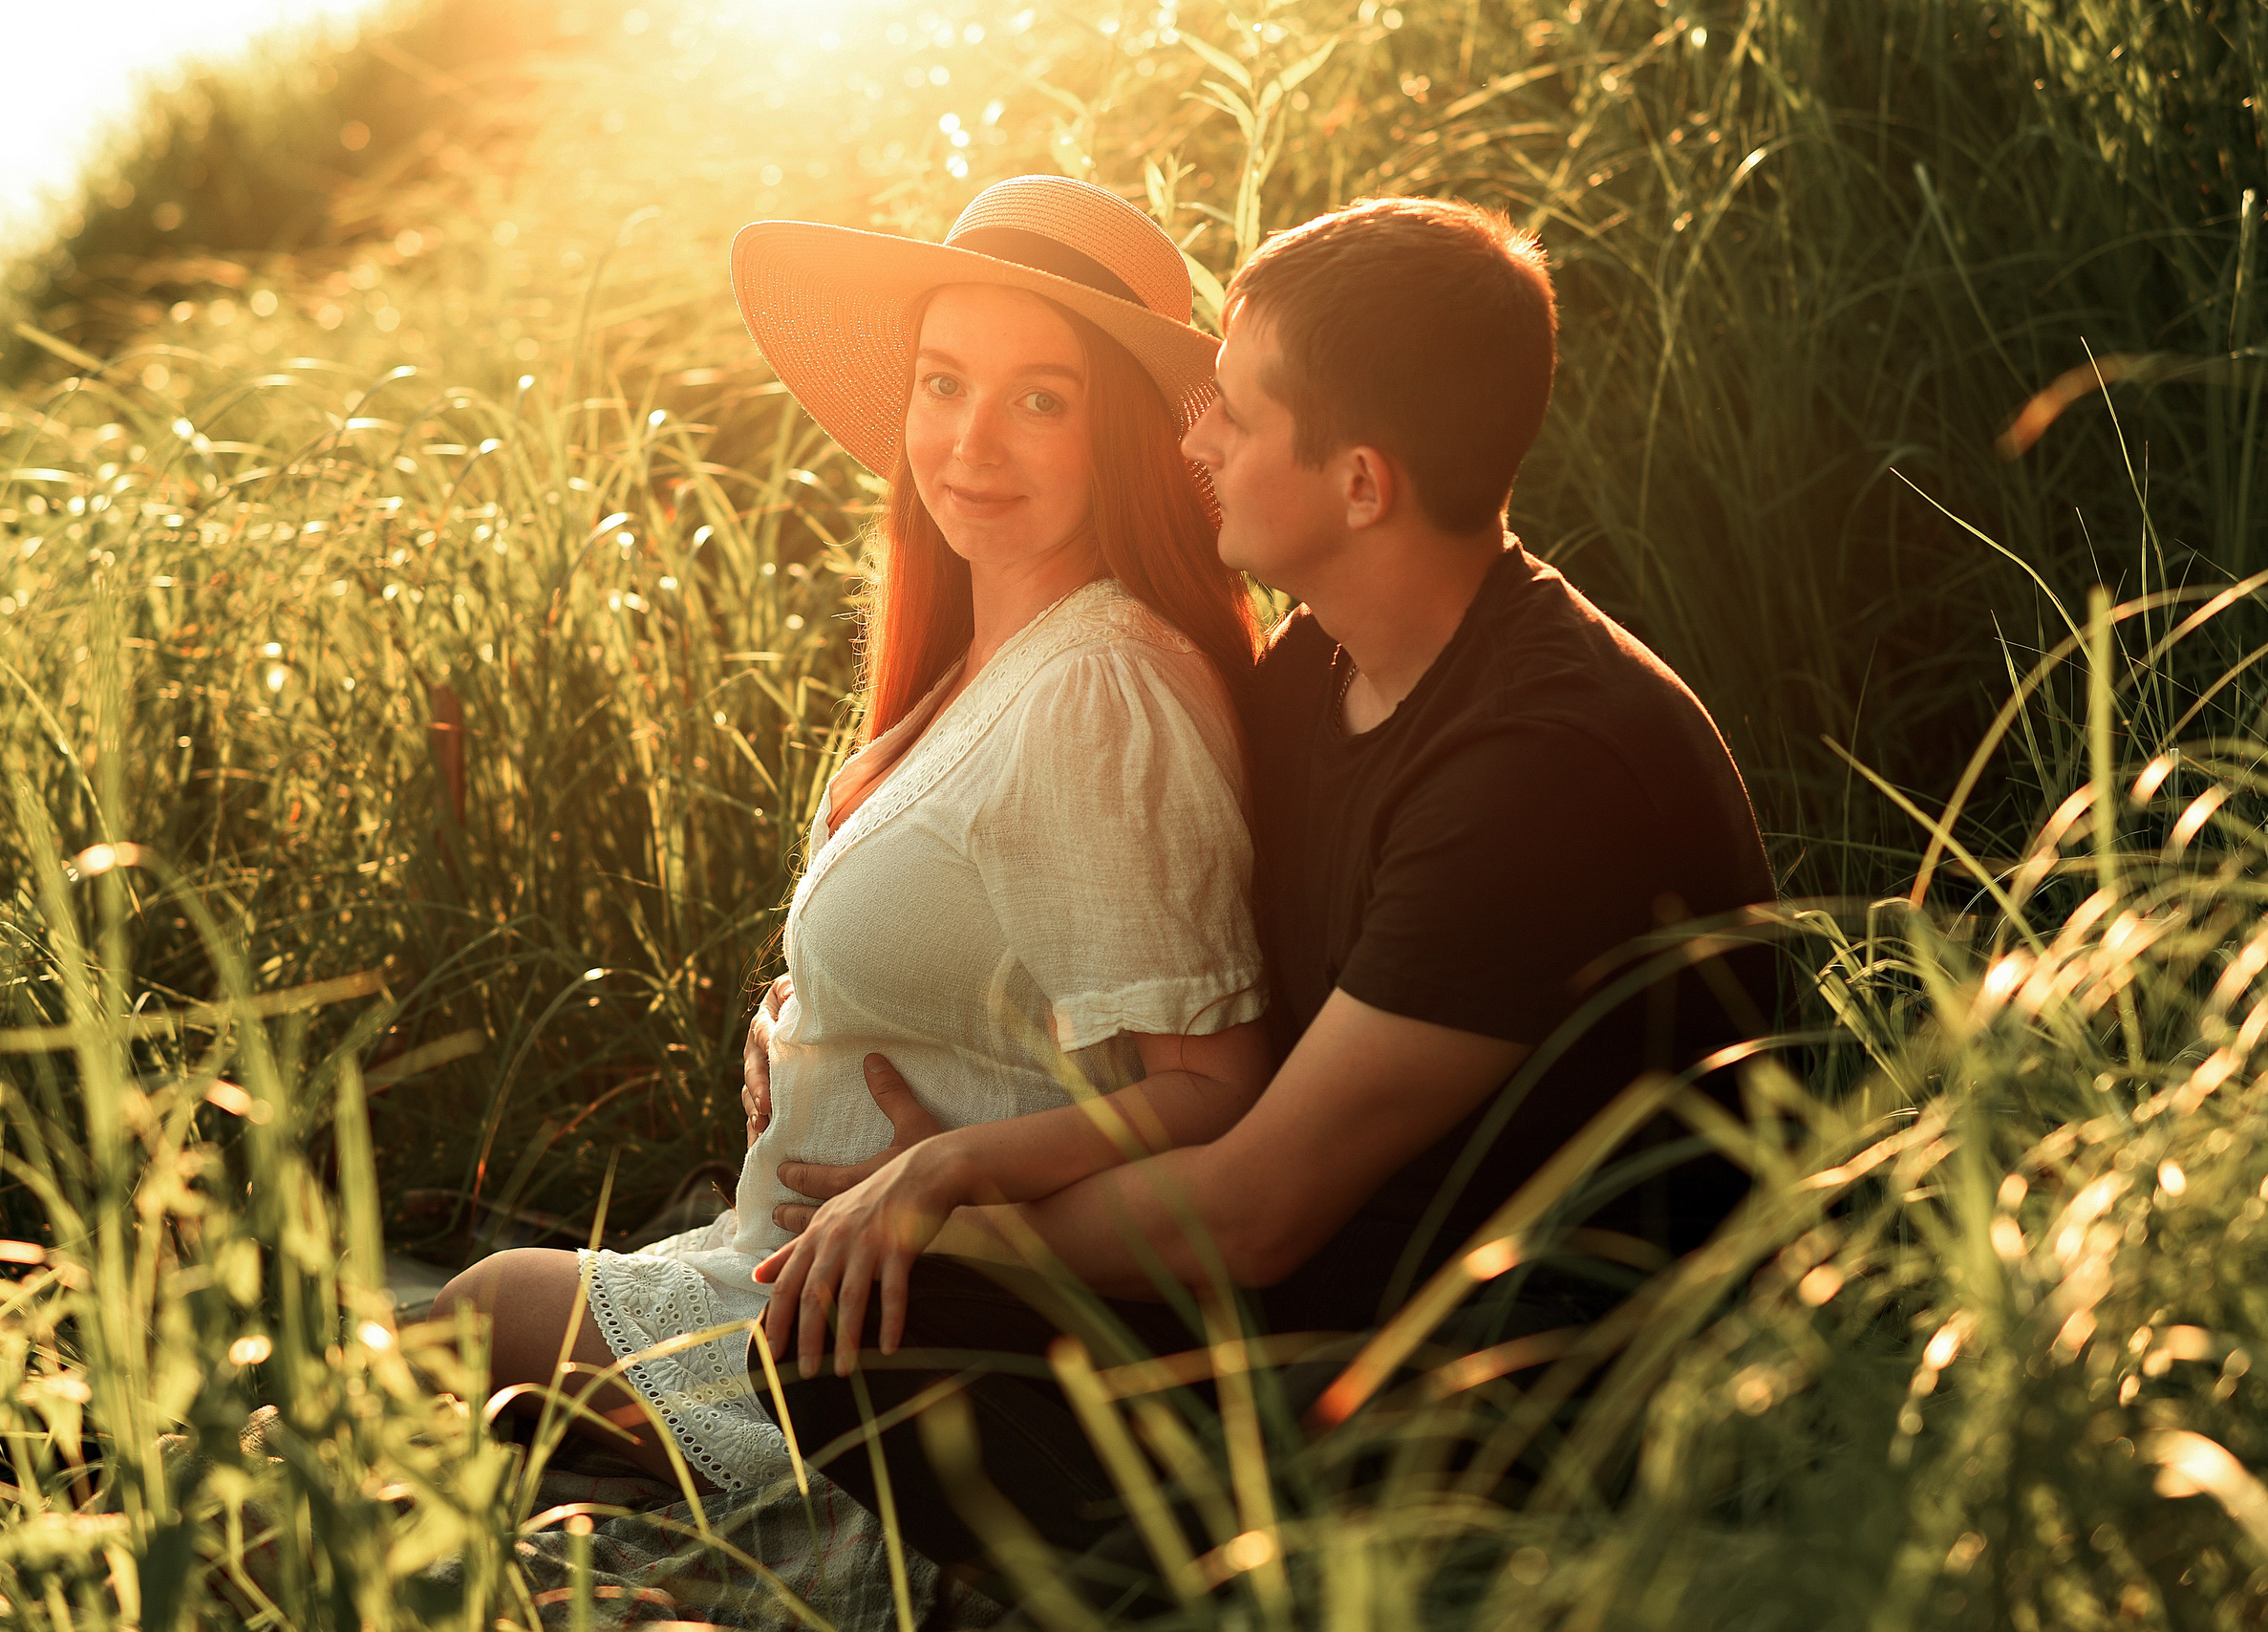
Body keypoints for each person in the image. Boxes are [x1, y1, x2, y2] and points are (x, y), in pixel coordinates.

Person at [750, 196, 1781, 1577]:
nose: (1194, 442)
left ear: (1360, 483)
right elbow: (1194, 1022)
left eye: (1232, 411)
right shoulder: (1319, 672)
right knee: (861, 1329)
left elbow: (1254, 1205)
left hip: (1532, 1377)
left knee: (872, 1326)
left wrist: (946, 1202)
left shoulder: (1540, 772)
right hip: (1334, 1290)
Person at [430, 175, 1274, 1492]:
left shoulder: (1104, 686)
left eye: (1039, 400)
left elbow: (1217, 1089)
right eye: (944, 385)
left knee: (481, 1314)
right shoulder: (988, 651)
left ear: (1122, 433)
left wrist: (946, 1167)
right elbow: (987, 940)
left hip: (906, 1317)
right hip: (787, 1247)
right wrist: (813, 1016)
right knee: (404, 1357)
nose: (970, 443)